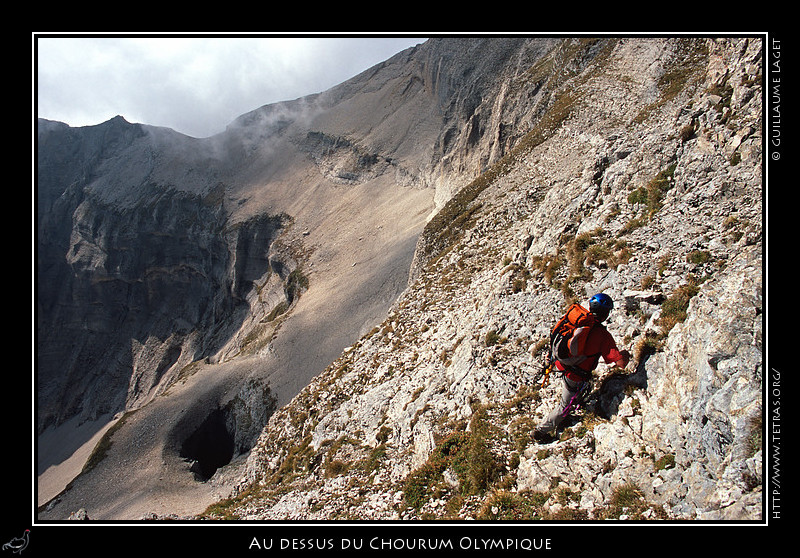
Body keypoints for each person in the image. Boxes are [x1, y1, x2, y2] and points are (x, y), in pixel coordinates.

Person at [533, 293, 630, 443]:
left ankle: (574, 405)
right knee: (564, 406)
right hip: (576, 376)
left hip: (562, 365)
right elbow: (620, 363)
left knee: (574, 394)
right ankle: (540, 431)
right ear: (605, 314)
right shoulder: (603, 336)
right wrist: (627, 354)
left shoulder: (577, 323)